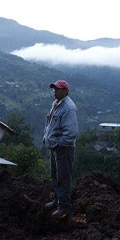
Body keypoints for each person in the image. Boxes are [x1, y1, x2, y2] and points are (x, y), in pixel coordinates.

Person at [43, 79, 78, 218]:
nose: (55, 91)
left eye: (57, 89)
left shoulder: (69, 107)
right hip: (55, 147)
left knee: (63, 177)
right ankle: (57, 201)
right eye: (54, 89)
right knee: (55, 176)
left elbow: (71, 132)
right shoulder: (56, 104)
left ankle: (64, 207)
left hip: (63, 148)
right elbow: (50, 123)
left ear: (65, 91)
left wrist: (58, 143)